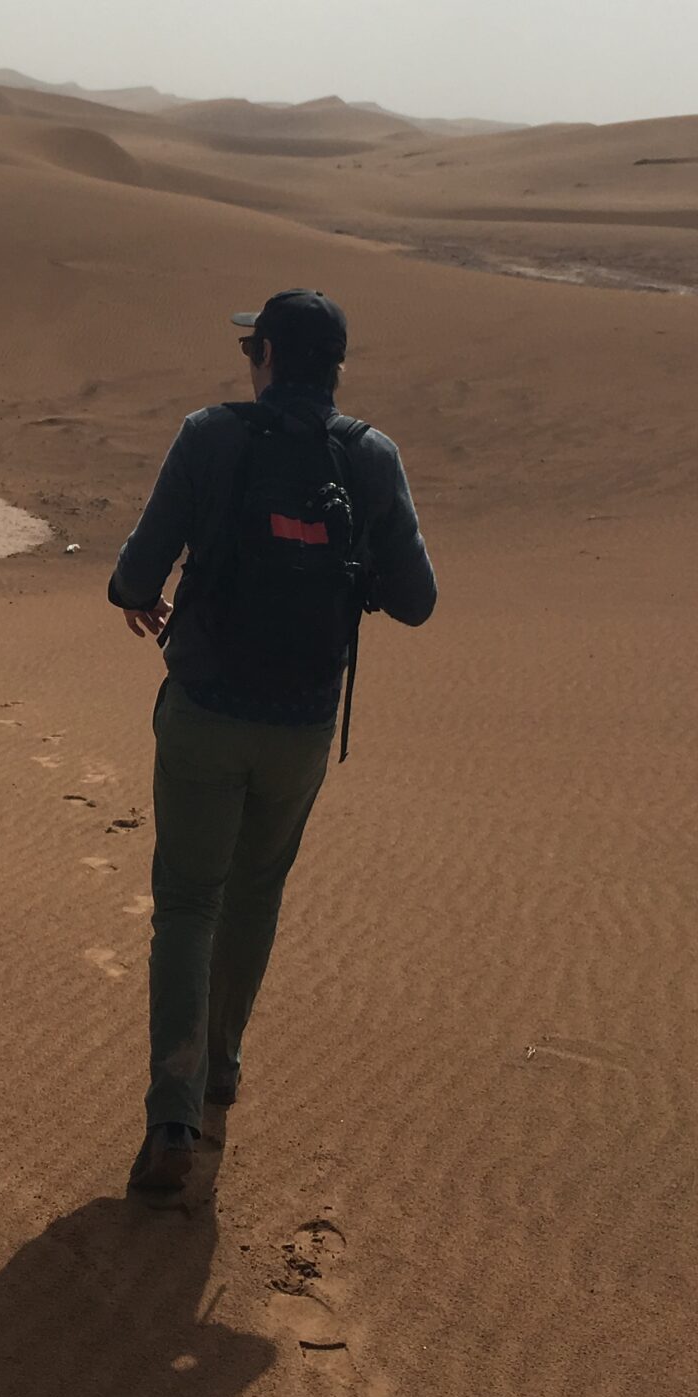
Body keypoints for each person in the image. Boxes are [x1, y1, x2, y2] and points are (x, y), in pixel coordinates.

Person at [107, 289, 436, 1204]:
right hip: (302, 725)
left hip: (205, 708)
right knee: (255, 892)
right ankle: (221, 1065)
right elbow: (417, 599)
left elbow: (136, 571)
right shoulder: (371, 456)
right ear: (337, 369)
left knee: (187, 903)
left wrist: (135, 593)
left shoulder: (209, 435)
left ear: (267, 358)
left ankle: (173, 1113)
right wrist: (352, 571)